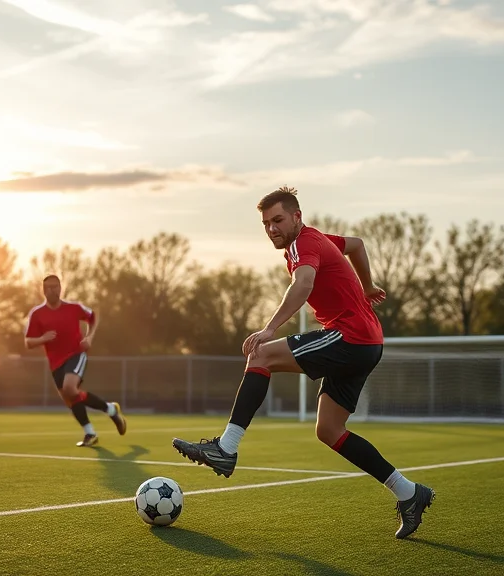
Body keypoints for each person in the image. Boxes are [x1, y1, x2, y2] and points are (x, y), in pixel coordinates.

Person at [172, 186, 435, 539]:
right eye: (266, 223)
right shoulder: (317, 238)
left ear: (297, 216)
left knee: (261, 353)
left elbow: (304, 283)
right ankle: (409, 493)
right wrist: (368, 285)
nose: (272, 229)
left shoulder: (303, 244)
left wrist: (269, 328)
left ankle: (226, 448)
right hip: (367, 343)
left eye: (278, 220)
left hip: (350, 337)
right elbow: (356, 243)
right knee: (329, 430)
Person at [25, 274, 127, 447]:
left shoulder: (73, 308)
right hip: (55, 363)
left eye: (55, 286)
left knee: (70, 388)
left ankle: (104, 416)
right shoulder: (37, 314)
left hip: (75, 354)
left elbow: (93, 317)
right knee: (70, 398)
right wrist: (43, 338)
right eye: (48, 287)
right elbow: (28, 342)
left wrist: (89, 337)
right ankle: (98, 424)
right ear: (43, 290)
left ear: (60, 288)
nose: (52, 290)